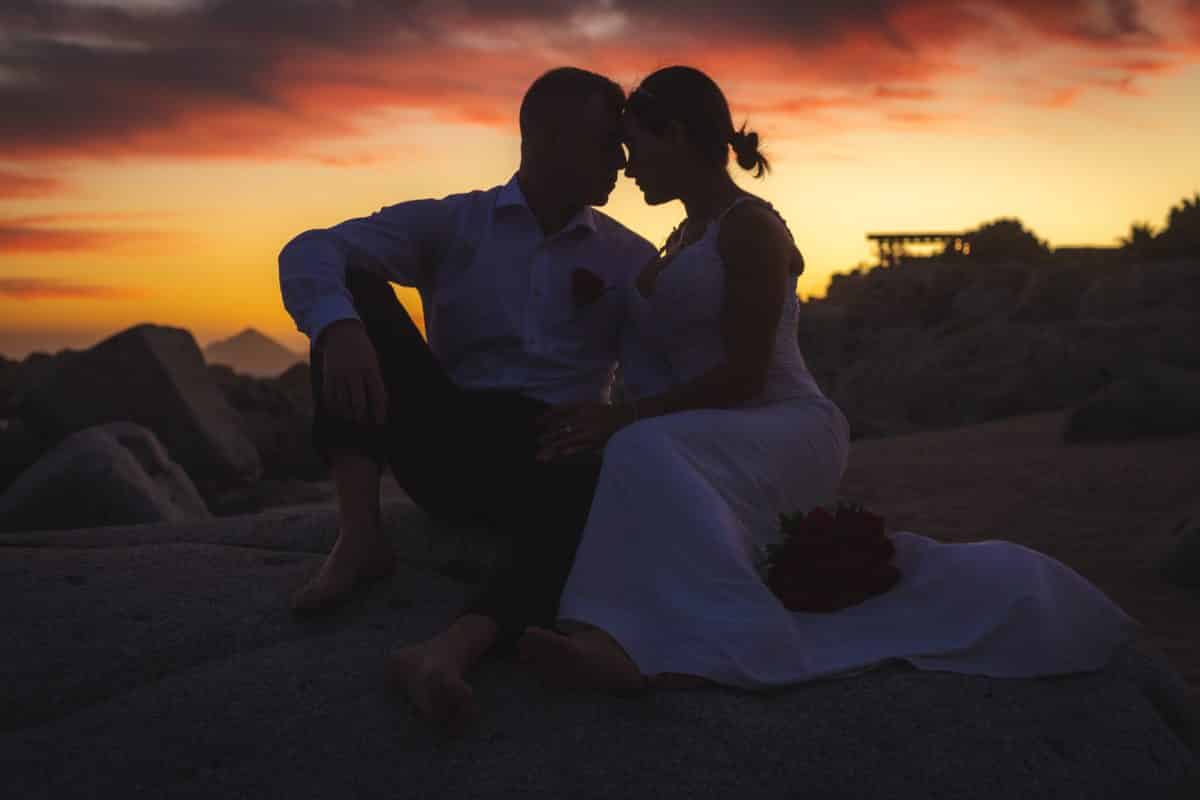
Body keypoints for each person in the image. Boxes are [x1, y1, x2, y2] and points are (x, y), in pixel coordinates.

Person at [518, 66, 1136, 691]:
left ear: (675, 134)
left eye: (635, 146)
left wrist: (622, 421)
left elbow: (746, 376)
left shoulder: (749, 227)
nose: (626, 167)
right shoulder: (677, 237)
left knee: (639, 448)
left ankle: (649, 645)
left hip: (780, 421)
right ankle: (621, 632)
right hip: (707, 428)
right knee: (630, 459)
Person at [277, 67, 656, 729]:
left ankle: (447, 651)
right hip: (449, 441)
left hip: (553, 450)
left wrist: (617, 423)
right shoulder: (457, 223)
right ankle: (361, 536)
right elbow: (311, 248)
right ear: (548, 138)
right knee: (350, 293)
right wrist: (338, 328)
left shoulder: (630, 257)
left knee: (591, 482)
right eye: (607, 143)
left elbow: (656, 372)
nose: (622, 162)